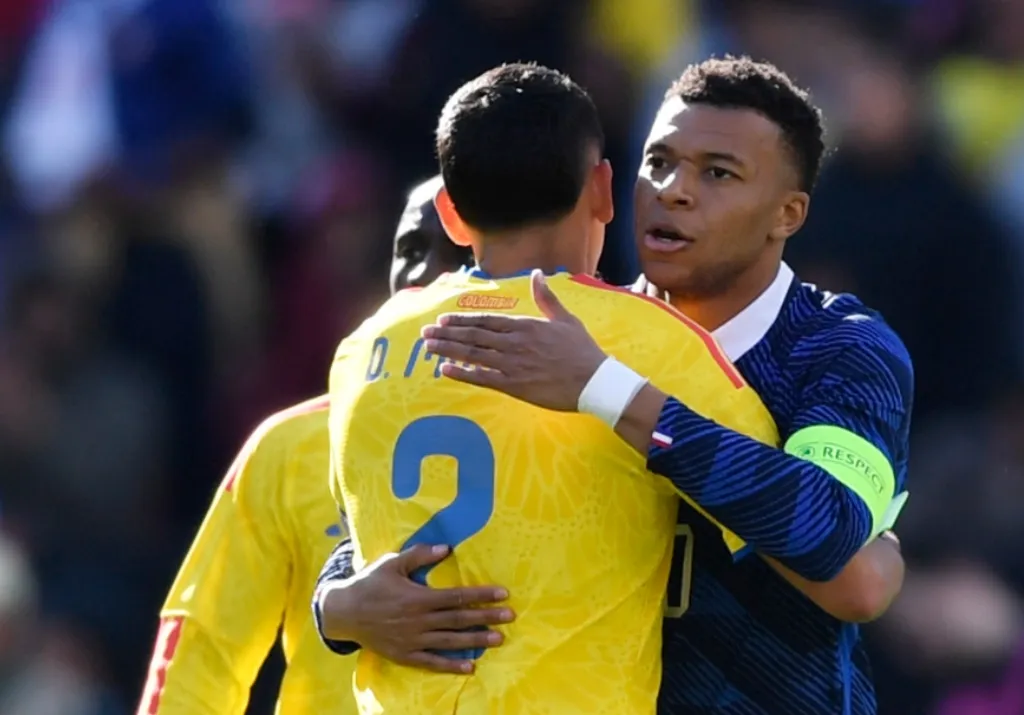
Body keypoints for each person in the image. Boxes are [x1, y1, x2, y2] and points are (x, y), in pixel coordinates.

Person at [317, 57, 913, 714]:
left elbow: (837, 550)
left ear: (787, 213)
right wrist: (339, 602)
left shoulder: (841, 348)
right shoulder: (569, 331)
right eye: (657, 162)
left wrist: (607, 389)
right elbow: (435, 505)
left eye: (717, 172)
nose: (673, 190)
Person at [136, 176, 491, 715]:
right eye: (408, 252)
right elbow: (205, 648)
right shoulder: (290, 446)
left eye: (457, 253)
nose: (424, 276)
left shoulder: (569, 432)